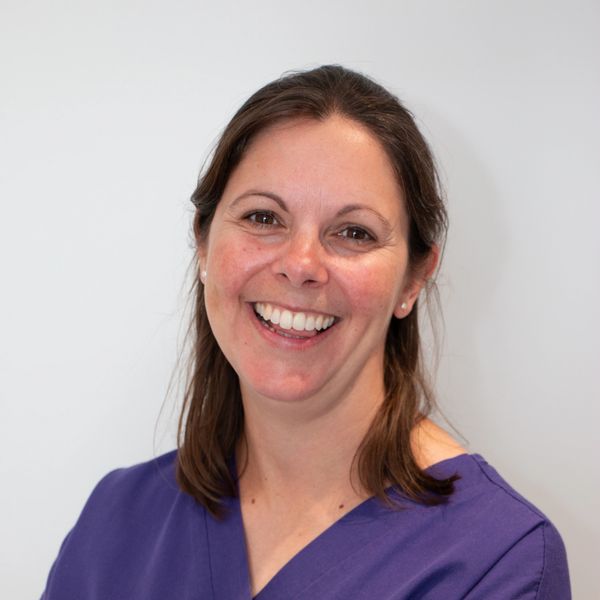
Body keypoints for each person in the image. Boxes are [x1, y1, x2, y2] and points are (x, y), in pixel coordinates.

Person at [42, 65, 571, 599]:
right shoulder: (114, 522)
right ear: (203, 243)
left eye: (353, 232)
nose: (300, 265)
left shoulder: (499, 562)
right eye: (264, 218)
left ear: (414, 278)